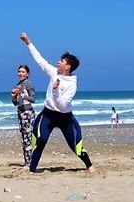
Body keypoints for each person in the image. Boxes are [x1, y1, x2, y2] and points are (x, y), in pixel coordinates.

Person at [19, 32, 96, 173]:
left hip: (65, 118)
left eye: (62, 60)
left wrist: (55, 91)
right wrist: (28, 42)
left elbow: (62, 105)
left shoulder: (72, 84)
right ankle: (32, 169)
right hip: (48, 115)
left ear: (68, 66)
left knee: (75, 146)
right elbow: (40, 60)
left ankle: (90, 166)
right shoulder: (54, 72)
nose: (59, 61)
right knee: (40, 140)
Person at [11, 65, 36, 167]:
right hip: (20, 112)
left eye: (23, 72)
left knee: (28, 137)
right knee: (24, 138)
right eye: (19, 72)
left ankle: (30, 163)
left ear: (27, 74)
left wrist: (22, 94)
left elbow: (33, 99)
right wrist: (13, 97)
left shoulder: (28, 84)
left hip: (27, 113)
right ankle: (27, 162)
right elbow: (16, 103)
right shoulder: (18, 84)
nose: (20, 74)